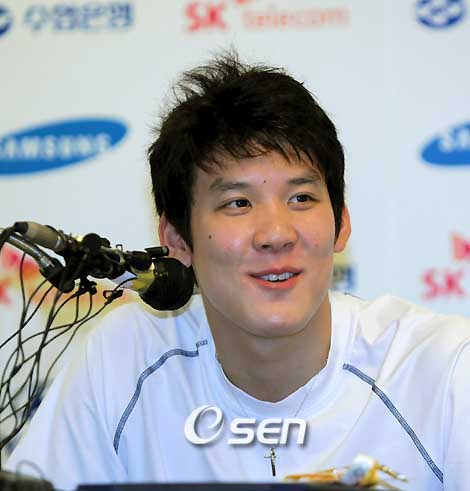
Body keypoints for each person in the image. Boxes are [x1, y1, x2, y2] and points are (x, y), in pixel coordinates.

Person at [6, 53, 470, 491]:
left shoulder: (443, 369)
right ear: (177, 240)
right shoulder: (122, 358)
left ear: (341, 223)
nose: (276, 234)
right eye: (238, 203)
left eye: (301, 198)